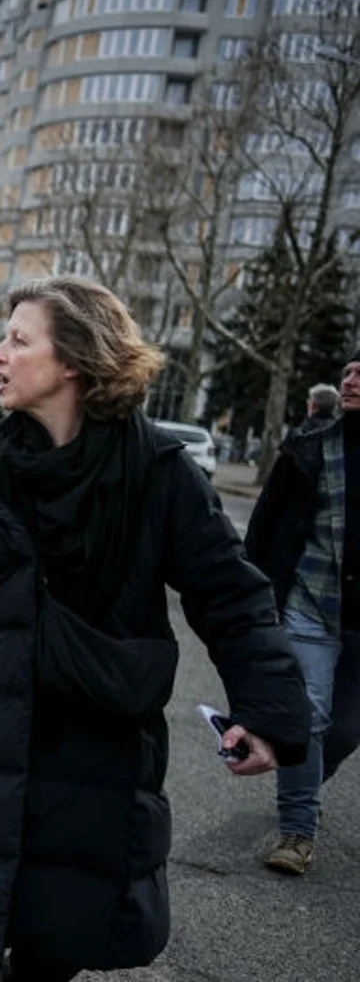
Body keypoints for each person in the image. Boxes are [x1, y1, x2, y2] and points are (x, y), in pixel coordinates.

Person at [0, 275, 310, 981]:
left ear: (74, 360)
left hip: (97, 747)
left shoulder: (158, 473)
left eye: (18, 341)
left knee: (60, 936)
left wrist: (270, 711)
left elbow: (231, 595)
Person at [245, 349, 359, 875]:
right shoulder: (310, 445)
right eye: (349, 371)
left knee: (342, 731)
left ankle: (306, 779)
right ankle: (297, 832)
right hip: (308, 602)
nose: (352, 379)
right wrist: (250, 593)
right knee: (309, 717)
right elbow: (266, 524)